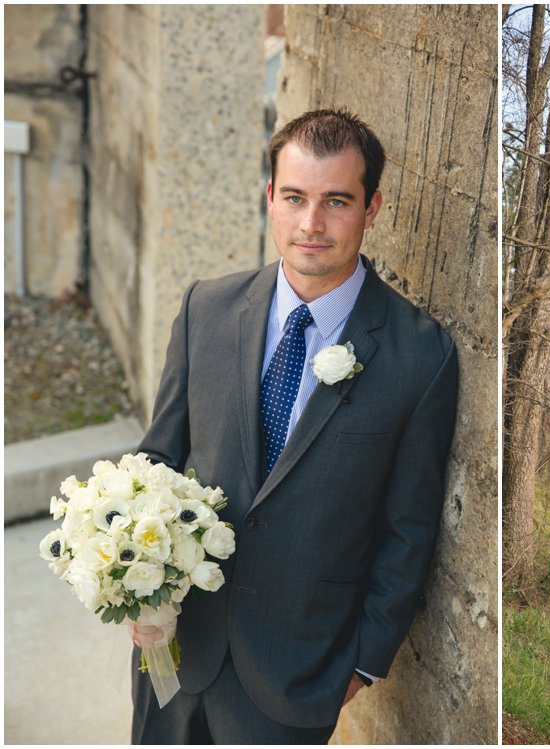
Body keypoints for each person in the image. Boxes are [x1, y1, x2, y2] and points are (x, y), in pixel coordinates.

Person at [129, 108, 459, 744]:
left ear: (373, 206)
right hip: (172, 648)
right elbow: (158, 460)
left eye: (337, 201)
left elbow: (409, 530)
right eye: (295, 197)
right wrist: (130, 579)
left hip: (296, 673)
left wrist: (361, 663)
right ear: (270, 200)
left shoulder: (421, 355)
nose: (312, 224)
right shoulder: (207, 309)